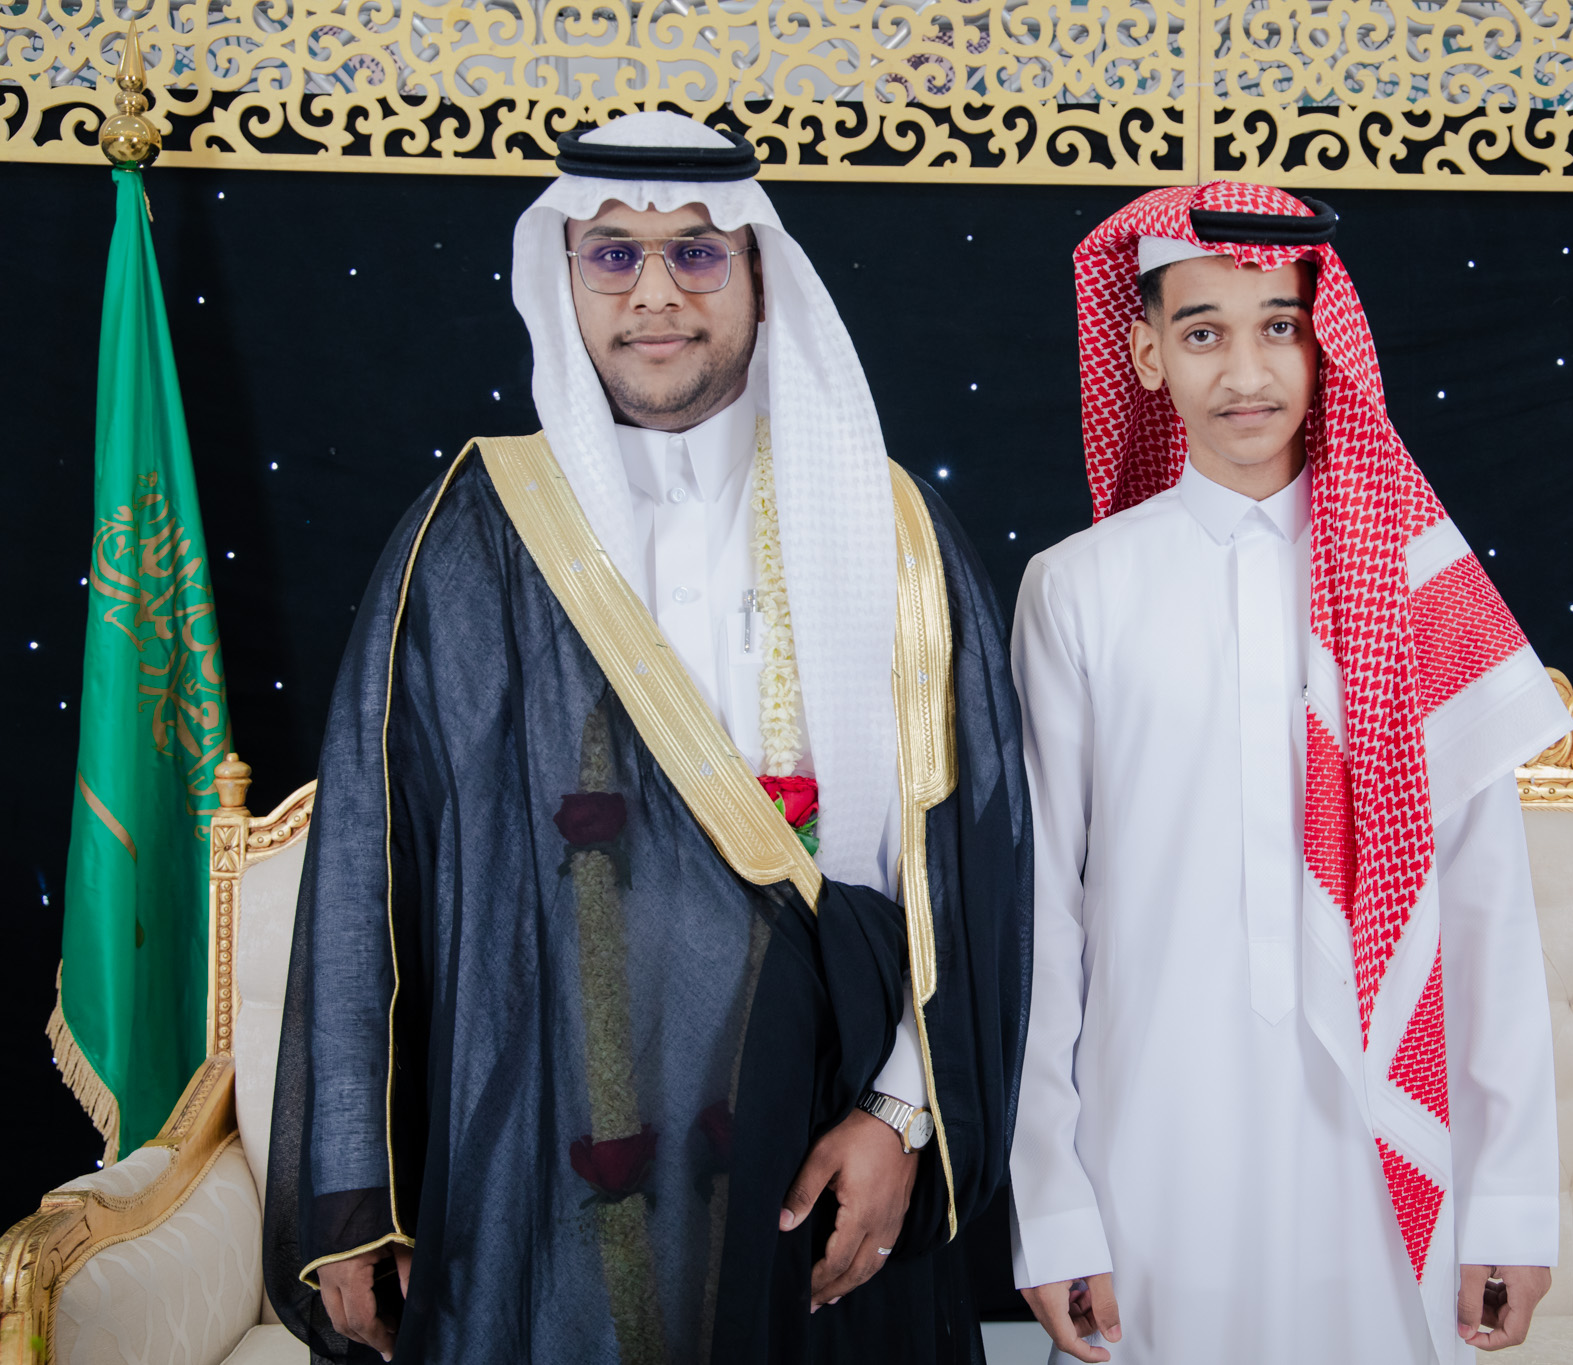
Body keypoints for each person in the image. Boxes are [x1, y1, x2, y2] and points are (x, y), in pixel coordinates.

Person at [262, 112, 1031, 1365]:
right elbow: (366, 868)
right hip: (541, 1160)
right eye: (613, 254)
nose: (655, 294)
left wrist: (899, 1117)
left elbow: (969, 869)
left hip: (814, 1155)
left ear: (759, 272)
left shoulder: (883, 527)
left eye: (698, 252)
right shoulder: (473, 535)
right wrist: (356, 1197)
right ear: (561, 276)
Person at [1006, 182, 1570, 1363]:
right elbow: (1042, 916)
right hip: (1149, 1140)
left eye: (1279, 326)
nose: (1245, 372)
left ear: (1325, 347)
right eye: (1201, 332)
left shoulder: (1412, 581)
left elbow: (1484, 910)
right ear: (1145, 356)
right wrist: (1052, 1204)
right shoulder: (1078, 588)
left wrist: (1511, 1198)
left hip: (1372, 1139)